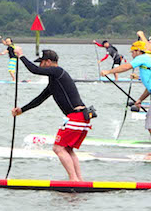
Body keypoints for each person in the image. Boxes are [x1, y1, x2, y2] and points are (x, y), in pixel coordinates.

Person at [7, 40, 92, 181]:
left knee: (58, 149)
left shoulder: (57, 71)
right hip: (82, 117)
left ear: (48, 62)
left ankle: (74, 180)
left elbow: (34, 70)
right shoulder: (55, 81)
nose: (40, 65)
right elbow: (39, 99)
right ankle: (79, 180)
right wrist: (21, 110)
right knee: (67, 149)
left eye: (41, 62)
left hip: (76, 117)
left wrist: (21, 55)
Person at [102, 40, 151, 158]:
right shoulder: (149, 61)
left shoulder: (143, 57)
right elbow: (150, 87)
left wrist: (109, 71)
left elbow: (127, 66)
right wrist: (140, 99)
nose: (131, 54)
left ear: (138, 51)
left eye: (132, 52)